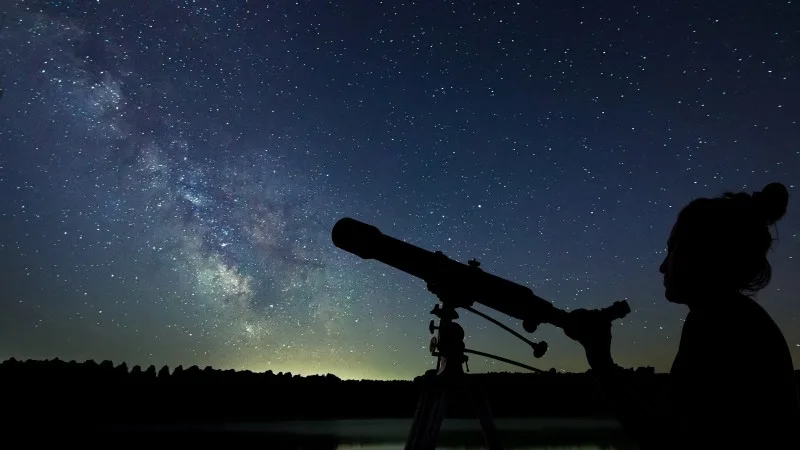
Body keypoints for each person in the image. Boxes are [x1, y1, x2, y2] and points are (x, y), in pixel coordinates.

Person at [562, 182, 799, 449]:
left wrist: (599, 358)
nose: (662, 267)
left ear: (702, 253)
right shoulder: (735, 318)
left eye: (672, 249)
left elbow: (664, 436)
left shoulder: (716, 325)